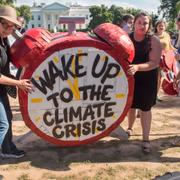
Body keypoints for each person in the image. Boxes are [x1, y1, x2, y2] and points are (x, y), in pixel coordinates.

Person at [0, 5, 33, 158]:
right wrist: (19, 83)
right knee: (3, 124)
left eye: (12, 27)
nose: (9, 30)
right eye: (6, 25)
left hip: (2, 89)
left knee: (7, 118)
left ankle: (7, 149)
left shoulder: (3, 39)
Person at [127, 12, 162, 154]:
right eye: (139, 22)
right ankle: (129, 127)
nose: (142, 25)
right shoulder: (126, 38)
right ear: (134, 23)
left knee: (146, 109)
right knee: (131, 105)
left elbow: (154, 63)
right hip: (130, 77)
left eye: (145, 23)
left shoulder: (154, 41)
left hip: (148, 78)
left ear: (149, 25)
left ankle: (146, 139)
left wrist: (137, 67)